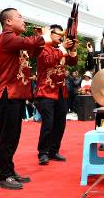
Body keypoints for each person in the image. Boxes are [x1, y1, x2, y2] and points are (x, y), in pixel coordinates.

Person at [0, 8, 52, 190]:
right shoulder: (6, 37)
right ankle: (4, 175)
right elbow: (29, 42)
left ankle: (9, 171)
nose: (24, 20)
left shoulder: (17, 41)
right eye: (20, 17)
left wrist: (43, 40)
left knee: (14, 136)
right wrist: (45, 36)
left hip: (16, 94)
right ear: (8, 21)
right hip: (7, 93)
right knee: (6, 137)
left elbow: (34, 49)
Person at [35, 24, 77, 165]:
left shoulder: (61, 49)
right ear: (50, 33)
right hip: (46, 90)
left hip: (61, 91)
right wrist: (63, 48)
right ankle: (43, 152)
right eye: (58, 34)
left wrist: (72, 49)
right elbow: (48, 61)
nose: (60, 37)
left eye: (61, 34)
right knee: (48, 123)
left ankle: (54, 151)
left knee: (60, 123)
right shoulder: (42, 47)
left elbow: (72, 62)